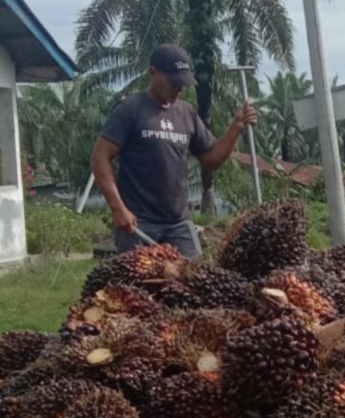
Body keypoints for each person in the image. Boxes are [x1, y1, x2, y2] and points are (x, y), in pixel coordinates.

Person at [91, 44, 257, 258]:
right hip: (138, 224)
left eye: (183, 83)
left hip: (179, 224)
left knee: (193, 276)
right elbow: (100, 157)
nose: (180, 88)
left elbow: (210, 159)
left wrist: (236, 127)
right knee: (141, 279)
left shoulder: (187, 113)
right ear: (153, 73)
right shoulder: (130, 110)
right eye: (174, 82)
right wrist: (117, 208)